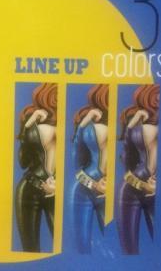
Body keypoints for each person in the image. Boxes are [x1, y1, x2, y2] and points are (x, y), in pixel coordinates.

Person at [116, 84, 159, 255]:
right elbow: (126, 158)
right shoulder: (143, 126)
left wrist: (131, 125)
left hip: (144, 188)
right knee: (129, 251)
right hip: (132, 189)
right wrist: (132, 123)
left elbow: (127, 158)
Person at [14, 83, 58, 253]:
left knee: (64, 245)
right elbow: (23, 162)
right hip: (29, 188)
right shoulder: (37, 127)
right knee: (29, 250)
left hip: (55, 190)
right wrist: (27, 126)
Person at [71, 85, 109, 254]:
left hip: (111, 192)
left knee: (115, 249)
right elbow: (77, 168)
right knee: (82, 248)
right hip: (84, 191)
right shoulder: (90, 126)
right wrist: (83, 122)